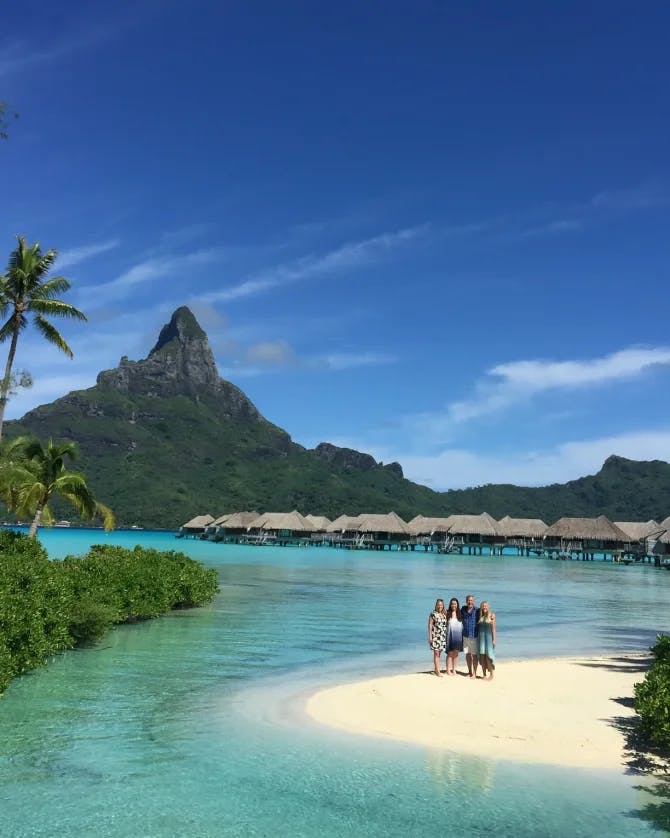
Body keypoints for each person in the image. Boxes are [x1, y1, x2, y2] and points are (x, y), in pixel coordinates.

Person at [461, 594, 479, 678]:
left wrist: (492, 616)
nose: (470, 602)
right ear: (466, 601)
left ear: (473, 601)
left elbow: (486, 614)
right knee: (467, 654)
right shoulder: (463, 609)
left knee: (474, 655)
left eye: (471, 600)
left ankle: (475, 673)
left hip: (474, 636)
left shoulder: (478, 610)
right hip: (465, 635)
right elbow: (454, 613)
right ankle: (470, 672)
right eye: (468, 600)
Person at [428, 598, 447, 676]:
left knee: (439, 654)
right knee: (436, 653)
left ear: (443, 606)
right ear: (436, 605)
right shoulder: (433, 614)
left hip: (443, 636)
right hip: (435, 636)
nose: (440, 606)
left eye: (441, 605)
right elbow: (430, 625)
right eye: (438, 605)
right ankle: (438, 671)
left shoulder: (444, 614)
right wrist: (430, 637)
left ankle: (436, 669)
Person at [477, 601, 496, 680]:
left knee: (489, 656)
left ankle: (491, 675)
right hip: (481, 639)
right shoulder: (480, 616)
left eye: (485, 606)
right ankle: (484, 674)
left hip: (488, 639)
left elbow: (493, 629)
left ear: (488, 607)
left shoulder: (491, 616)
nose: (484, 607)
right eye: (483, 606)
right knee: (482, 657)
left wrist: (494, 640)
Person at [445, 597, 463, 675]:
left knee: (456, 653)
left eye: (455, 604)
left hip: (458, 635)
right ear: (450, 605)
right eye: (452, 604)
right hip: (449, 635)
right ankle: (448, 670)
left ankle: (454, 669)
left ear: (457, 604)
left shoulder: (460, 613)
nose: (453, 605)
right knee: (450, 653)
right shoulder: (447, 612)